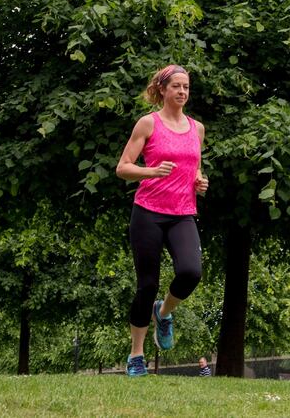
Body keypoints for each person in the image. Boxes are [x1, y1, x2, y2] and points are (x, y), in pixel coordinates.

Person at [115, 64, 209, 377]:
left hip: (182, 211)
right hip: (148, 212)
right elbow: (123, 167)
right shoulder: (148, 124)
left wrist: (199, 180)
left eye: (186, 87)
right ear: (163, 90)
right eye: (176, 87)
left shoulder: (197, 129)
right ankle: (136, 356)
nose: (182, 92)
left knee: (190, 272)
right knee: (147, 284)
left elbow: (193, 166)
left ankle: (164, 311)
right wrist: (150, 171)